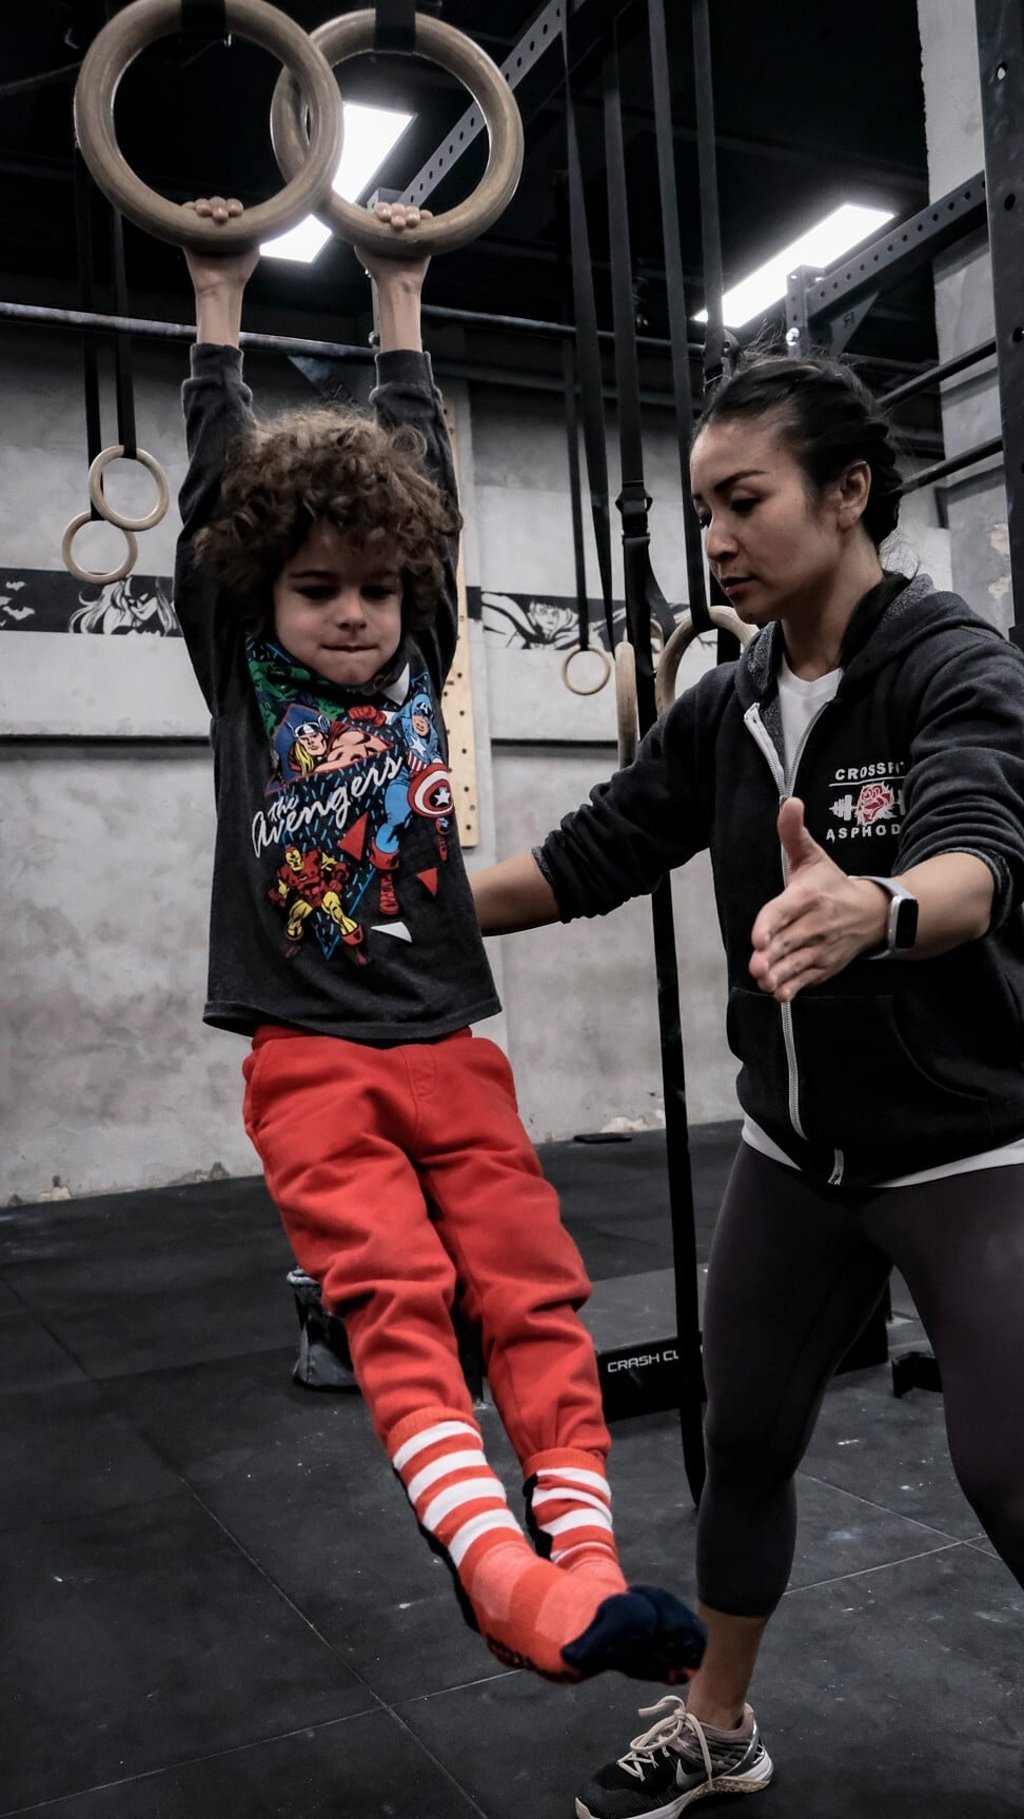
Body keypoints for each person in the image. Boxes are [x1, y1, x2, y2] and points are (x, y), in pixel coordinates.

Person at [469, 350, 1024, 1812]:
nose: (715, 536)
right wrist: (407, 906)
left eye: (743, 501)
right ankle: (716, 1722)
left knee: (1009, 1467)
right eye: (701, 506)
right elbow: (593, 852)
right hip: (795, 1157)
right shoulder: (727, 705)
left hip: (965, 1150)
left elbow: (982, 855)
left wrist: (883, 908)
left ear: (848, 496)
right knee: (745, 1441)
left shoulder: (950, 664)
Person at [172, 194, 705, 1690]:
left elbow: (432, 504)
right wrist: (219, 301)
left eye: (377, 591)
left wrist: (402, 291)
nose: (352, 616)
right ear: (262, 596)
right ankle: (502, 1584)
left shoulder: (423, 645)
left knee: (534, 1292)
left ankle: (586, 1566)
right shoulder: (245, 678)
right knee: (399, 1314)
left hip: (452, 1041)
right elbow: (221, 487)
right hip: (312, 1057)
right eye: (318, 590)